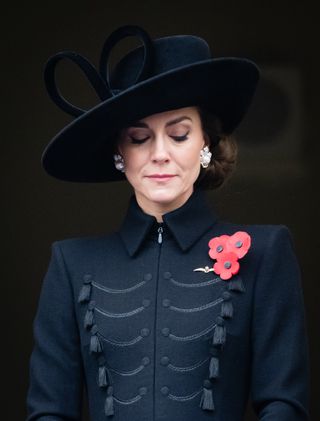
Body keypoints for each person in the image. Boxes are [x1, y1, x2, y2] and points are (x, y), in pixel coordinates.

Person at [26, 24, 310, 420]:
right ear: (119, 152)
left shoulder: (266, 252)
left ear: (205, 144)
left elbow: (283, 403)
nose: (160, 153)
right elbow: (48, 411)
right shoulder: (70, 264)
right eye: (140, 138)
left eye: (178, 134)